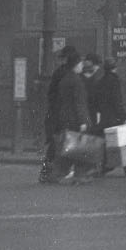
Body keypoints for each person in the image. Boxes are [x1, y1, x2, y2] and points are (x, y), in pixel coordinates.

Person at [42, 45, 91, 184]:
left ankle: (52, 173)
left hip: (59, 115)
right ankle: (70, 174)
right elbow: (78, 101)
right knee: (67, 146)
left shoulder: (62, 74)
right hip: (67, 116)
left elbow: (52, 95)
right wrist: (83, 120)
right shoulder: (72, 77)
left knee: (60, 145)